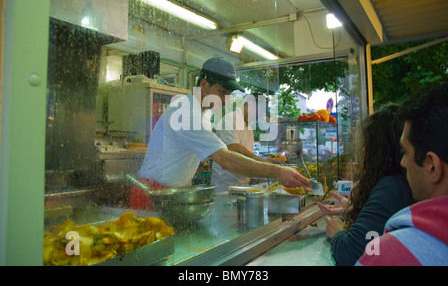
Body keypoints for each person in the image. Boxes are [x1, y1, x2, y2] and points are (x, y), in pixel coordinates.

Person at [130, 57, 311, 209]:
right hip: (153, 196)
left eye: (229, 94)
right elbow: (225, 159)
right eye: (222, 92)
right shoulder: (186, 113)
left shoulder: (200, 112)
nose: (225, 101)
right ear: (204, 84)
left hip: (172, 194)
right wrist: (277, 171)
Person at [356, 84, 448, 266]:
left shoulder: (389, 254)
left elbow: (353, 247)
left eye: (405, 152)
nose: (403, 163)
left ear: (432, 167)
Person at [317, 103, 414, 266]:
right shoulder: (400, 182)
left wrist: (338, 232)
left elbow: (353, 253)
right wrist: (359, 209)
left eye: (365, 146)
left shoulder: (391, 187)